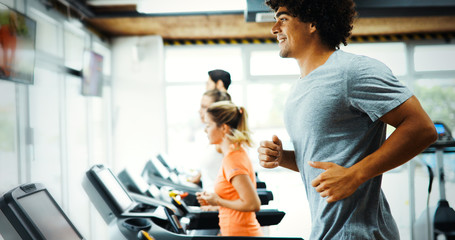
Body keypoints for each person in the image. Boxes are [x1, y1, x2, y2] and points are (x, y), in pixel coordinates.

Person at [257, 0, 438, 239]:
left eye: (283, 19)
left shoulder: (352, 71)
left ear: (312, 23)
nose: (274, 28)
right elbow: (322, 161)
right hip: (327, 232)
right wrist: (284, 158)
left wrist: (356, 174)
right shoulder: (298, 90)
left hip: (359, 233)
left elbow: (422, 129)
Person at [197, 101, 262, 237]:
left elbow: (252, 204)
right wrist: (214, 204)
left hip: (242, 233)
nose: (205, 130)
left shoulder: (233, 159)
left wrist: (218, 201)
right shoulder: (233, 154)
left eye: (208, 125)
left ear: (224, 128)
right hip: (233, 231)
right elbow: (236, 199)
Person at [188, 89, 231, 192]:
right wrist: (198, 176)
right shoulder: (213, 137)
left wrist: (217, 202)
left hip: (218, 205)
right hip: (210, 202)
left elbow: (234, 183)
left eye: (204, 107)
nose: (199, 111)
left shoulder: (225, 140)